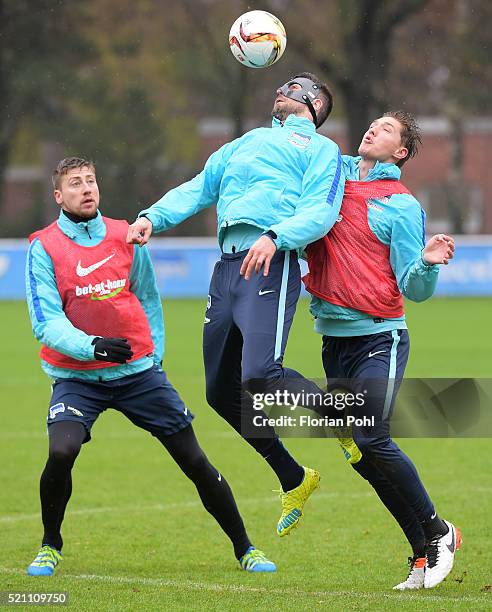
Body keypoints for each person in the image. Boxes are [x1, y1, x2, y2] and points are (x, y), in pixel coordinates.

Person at [24, 157, 277, 576]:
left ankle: (246, 548)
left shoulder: (125, 235)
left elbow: (148, 296)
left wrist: (153, 354)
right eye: (74, 184)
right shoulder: (44, 246)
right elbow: (45, 321)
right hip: (76, 377)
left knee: (194, 459)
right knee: (61, 450)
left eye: (91, 180)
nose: (86, 188)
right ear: (58, 195)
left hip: (138, 374)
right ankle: (51, 544)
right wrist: (92, 347)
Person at [127, 73, 345, 536]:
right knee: (219, 392)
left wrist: (276, 235)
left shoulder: (321, 151)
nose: (279, 92)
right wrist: (152, 217)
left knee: (261, 375)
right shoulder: (244, 142)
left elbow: (321, 211)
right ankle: (294, 476)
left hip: (272, 259)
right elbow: (199, 187)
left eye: (291, 88)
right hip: (226, 268)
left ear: (310, 103)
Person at [304, 111, 461, 590]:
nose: (372, 129)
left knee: (371, 437)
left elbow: (413, 288)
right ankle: (420, 553)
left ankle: (439, 531)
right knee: (361, 454)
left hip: (380, 337)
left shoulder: (401, 205)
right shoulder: (329, 180)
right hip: (334, 341)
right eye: (371, 124)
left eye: (387, 130)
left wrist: (429, 263)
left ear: (401, 153)